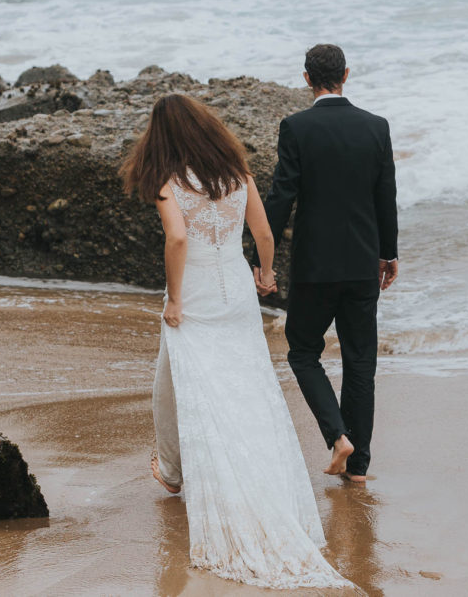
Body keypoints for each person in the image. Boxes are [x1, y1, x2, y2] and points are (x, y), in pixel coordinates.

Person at [120, 94, 352, 589]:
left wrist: (175, 300)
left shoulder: (168, 183)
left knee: (188, 384)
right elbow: (265, 231)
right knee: (242, 383)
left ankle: (177, 471)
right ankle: (184, 468)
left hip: (198, 292)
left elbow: (178, 240)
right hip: (237, 290)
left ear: (161, 138)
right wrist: (266, 275)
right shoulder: (235, 174)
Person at [252, 43, 398, 484]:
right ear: (346, 75)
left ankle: (337, 436)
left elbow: (281, 196)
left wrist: (261, 259)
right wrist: (388, 254)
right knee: (360, 362)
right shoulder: (375, 127)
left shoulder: (296, 127)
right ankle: (357, 467)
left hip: (315, 267)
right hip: (360, 265)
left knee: (302, 351)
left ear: (306, 78)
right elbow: (384, 196)